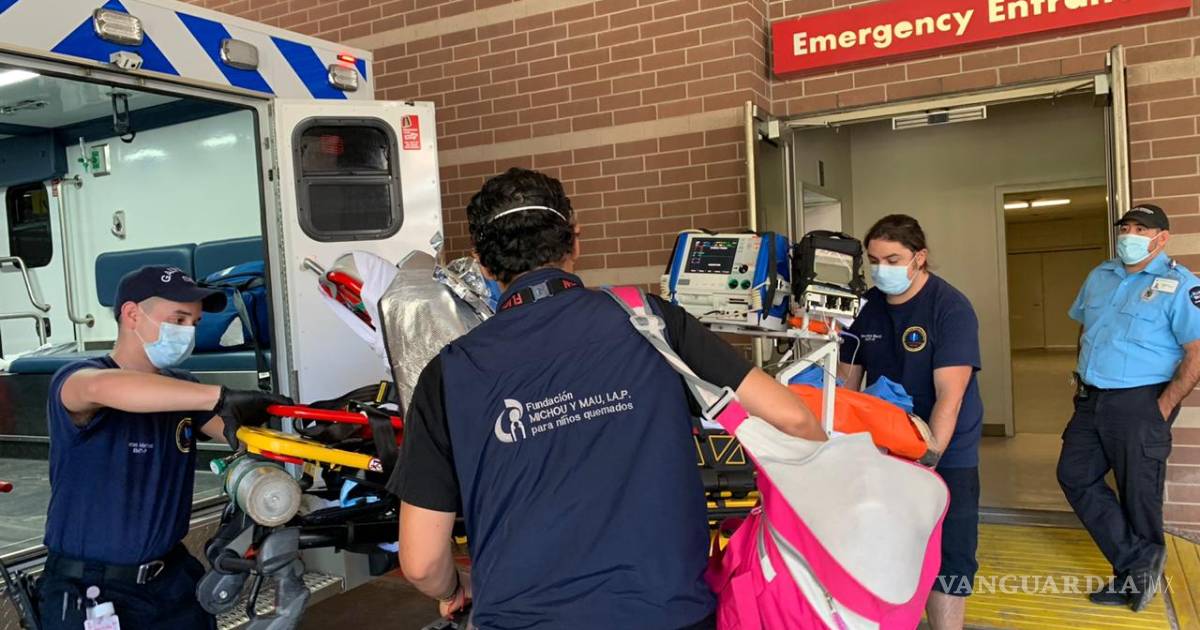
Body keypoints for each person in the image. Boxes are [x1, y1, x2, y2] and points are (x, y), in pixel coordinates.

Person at [389, 167, 826, 630]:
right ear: (574, 240)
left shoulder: (450, 372)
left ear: (483, 264)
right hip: (670, 615)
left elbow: (421, 562)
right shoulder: (649, 322)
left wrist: (455, 589)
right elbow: (793, 419)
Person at [37, 265, 290, 630]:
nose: (188, 332)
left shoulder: (183, 387)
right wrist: (220, 396)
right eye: (178, 319)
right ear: (131, 314)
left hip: (171, 581)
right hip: (93, 588)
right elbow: (102, 388)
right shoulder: (78, 379)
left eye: (194, 323)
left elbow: (239, 432)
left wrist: (303, 428)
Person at [836, 214, 982, 630]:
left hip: (945, 449)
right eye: (874, 260)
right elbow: (847, 384)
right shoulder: (867, 308)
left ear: (920, 257)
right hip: (884, 447)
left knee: (949, 553)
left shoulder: (950, 308)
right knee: (885, 546)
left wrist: (929, 457)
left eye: (893, 260)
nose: (881, 269)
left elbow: (950, 397)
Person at [1058, 204, 1200, 612]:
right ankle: (1138, 560)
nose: (1130, 235)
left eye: (1141, 229)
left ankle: (1134, 582)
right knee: (1074, 475)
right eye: (1126, 227)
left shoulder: (1182, 285)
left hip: (1141, 401)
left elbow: (1196, 352)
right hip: (1092, 397)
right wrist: (1082, 375)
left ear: (1162, 238)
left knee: (1138, 491)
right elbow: (1086, 328)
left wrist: (1163, 407)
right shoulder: (1100, 276)